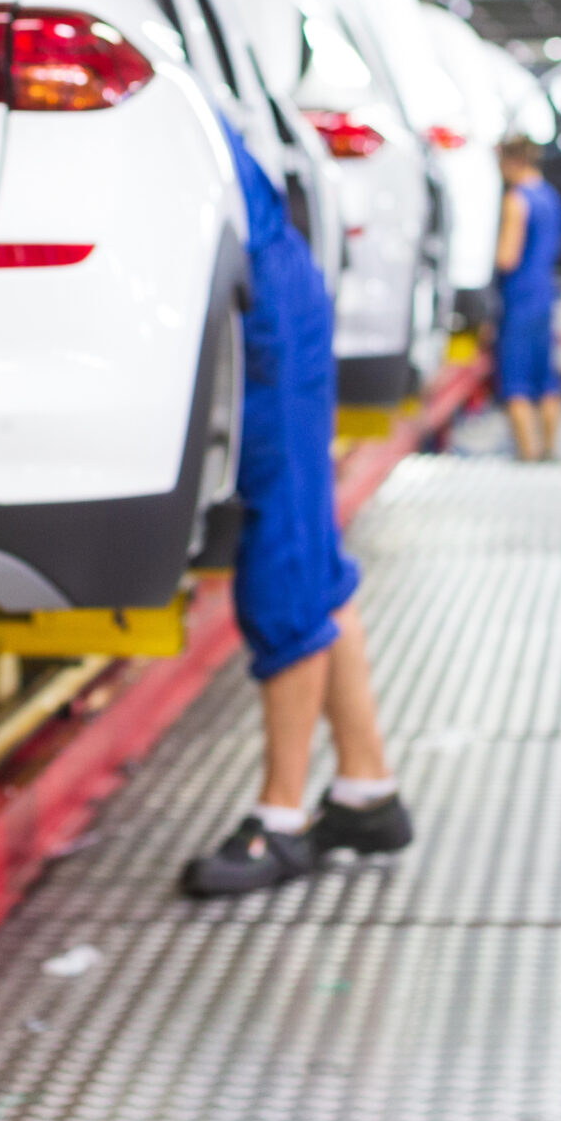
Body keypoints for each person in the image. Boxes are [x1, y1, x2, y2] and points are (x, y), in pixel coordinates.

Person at [181, 120, 411, 897]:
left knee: (281, 554)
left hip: (262, 301)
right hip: (270, 283)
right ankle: (366, 790)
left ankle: (282, 819)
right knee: (309, 551)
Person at [494, 135, 561, 461]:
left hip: (519, 298)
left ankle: (528, 455)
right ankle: (550, 449)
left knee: (516, 382)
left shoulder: (517, 200)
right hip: (545, 294)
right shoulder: (550, 196)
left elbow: (508, 256)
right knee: (546, 380)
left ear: (510, 161)